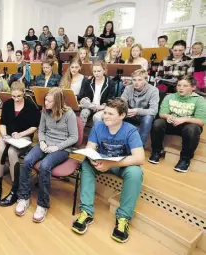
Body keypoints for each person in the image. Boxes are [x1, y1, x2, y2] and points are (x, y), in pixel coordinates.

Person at [72, 98, 144, 244]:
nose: (106, 116)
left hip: (121, 163)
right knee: (86, 163)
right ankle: (86, 212)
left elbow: (140, 158)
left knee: (136, 173)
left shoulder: (130, 130)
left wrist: (110, 164)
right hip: (102, 159)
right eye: (105, 112)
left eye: (111, 114)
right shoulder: (98, 126)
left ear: (122, 115)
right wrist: (94, 160)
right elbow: (90, 149)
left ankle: (123, 218)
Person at [15, 87, 78, 223]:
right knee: (27, 161)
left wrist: (57, 147)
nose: (46, 103)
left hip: (62, 147)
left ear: (58, 102)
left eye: (49, 101)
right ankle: (23, 197)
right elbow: (41, 130)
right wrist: (42, 142)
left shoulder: (70, 114)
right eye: (45, 100)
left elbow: (74, 138)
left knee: (45, 166)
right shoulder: (44, 111)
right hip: (45, 144)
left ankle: (42, 204)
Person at [0, 81, 40, 206]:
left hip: (24, 138)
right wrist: (4, 135)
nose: (16, 99)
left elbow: (34, 127)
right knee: (1, 149)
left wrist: (21, 134)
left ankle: (15, 190)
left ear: (24, 93)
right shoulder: (7, 104)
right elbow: (2, 123)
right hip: (8, 136)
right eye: (13, 96)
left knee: (12, 151)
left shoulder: (31, 106)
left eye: (19, 96)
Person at [149, 76, 206, 172]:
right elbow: (162, 113)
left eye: (185, 85)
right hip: (171, 124)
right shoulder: (169, 96)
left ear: (193, 87)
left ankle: (185, 159)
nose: (181, 88)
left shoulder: (199, 100)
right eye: (179, 85)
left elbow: (201, 121)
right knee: (157, 123)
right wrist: (168, 116)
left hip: (187, 126)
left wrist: (185, 119)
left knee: (192, 129)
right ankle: (156, 151)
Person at [121, 69, 159, 145]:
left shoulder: (153, 90)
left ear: (146, 80)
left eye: (139, 80)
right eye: (134, 80)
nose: (136, 82)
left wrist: (137, 111)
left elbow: (154, 110)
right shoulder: (128, 88)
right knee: (116, 113)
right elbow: (121, 102)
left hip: (143, 115)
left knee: (148, 118)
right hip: (130, 113)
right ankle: (116, 143)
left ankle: (140, 146)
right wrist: (125, 109)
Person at [78, 60, 115, 128]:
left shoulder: (110, 83)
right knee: (84, 112)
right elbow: (82, 96)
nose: (96, 73)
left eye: (99, 71)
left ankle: (97, 136)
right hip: (90, 106)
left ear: (104, 70)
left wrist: (103, 106)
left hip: (102, 108)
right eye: (94, 71)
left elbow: (111, 99)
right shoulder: (88, 82)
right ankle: (80, 134)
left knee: (97, 117)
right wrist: (84, 99)